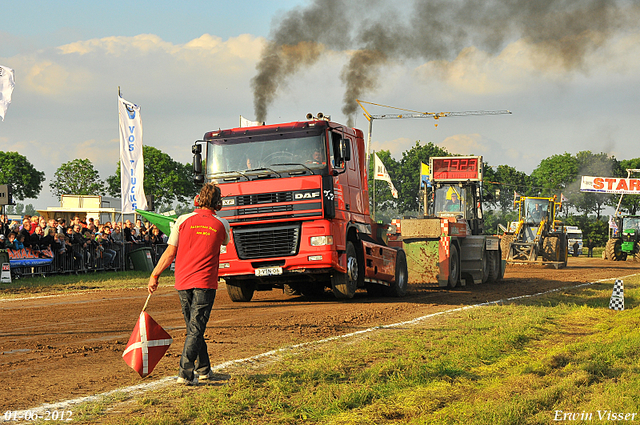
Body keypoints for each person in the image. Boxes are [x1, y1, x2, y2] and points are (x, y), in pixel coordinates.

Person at [148, 182, 230, 386]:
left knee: (194, 327)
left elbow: (169, 253)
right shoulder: (222, 224)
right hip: (205, 282)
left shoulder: (182, 220)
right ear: (218, 203)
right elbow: (224, 243)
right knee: (196, 328)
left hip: (183, 281)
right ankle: (185, 373)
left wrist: (154, 275)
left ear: (197, 199)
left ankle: (204, 370)